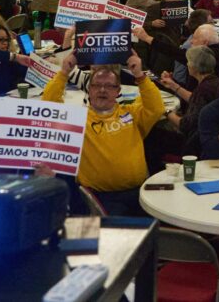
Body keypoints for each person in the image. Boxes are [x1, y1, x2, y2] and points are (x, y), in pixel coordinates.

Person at [43, 50, 163, 216]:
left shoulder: (132, 113)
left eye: (109, 86)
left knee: (151, 235)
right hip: (102, 198)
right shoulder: (77, 119)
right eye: (97, 85)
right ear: (89, 90)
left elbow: (156, 108)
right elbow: (49, 107)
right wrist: (64, 73)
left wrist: (140, 76)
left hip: (140, 192)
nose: (102, 90)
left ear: (117, 91)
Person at [163, 45, 219, 156]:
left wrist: (166, 111)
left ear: (194, 67)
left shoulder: (203, 89)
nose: (187, 64)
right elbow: (195, 99)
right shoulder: (214, 82)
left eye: (189, 62)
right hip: (213, 137)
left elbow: (185, 125)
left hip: (198, 143)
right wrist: (173, 85)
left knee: (156, 136)